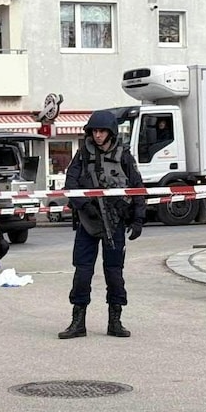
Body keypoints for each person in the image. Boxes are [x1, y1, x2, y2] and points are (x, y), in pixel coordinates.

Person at [58, 110, 146, 340]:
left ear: (111, 132)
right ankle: (78, 322)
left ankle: (115, 320)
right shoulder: (82, 155)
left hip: (114, 223)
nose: (97, 135)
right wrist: (85, 206)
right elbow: (71, 183)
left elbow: (137, 187)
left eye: (102, 131)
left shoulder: (124, 155)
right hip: (88, 222)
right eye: (94, 131)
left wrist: (138, 218)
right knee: (82, 272)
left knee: (114, 272)